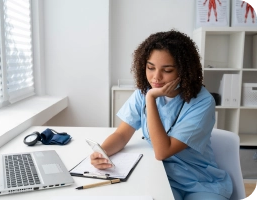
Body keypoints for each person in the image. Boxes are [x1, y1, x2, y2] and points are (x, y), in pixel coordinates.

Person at [90, 30, 233, 200]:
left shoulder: (202, 102)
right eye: (150, 68)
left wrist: (151, 98)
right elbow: (122, 134)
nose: (156, 77)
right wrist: (102, 153)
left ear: (184, 71)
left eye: (167, 70)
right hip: (162, 176)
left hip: (200, 181)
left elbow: (162, 151)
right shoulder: (142, 93)